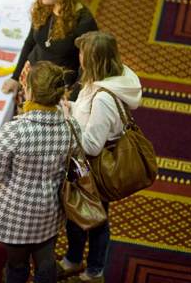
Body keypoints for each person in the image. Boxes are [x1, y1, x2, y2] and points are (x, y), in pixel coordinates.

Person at [0, 61, 82, 283]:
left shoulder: (13, 131)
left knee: (17, 266)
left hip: (12, 215)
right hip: (50, 211)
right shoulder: (72, 126)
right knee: (46, 263)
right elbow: (76, 165)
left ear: (29, 92)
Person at [59, 31, 142, 282]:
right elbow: (87, 117)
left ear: (93, 58)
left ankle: (94, 272)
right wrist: (71, 108)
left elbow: (92, 146)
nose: (79, 56)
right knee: (77, 214)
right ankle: (73, 259)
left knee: (95, 219)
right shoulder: (98, 79)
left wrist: (66, 120)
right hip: (83, 165)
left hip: (92, 167)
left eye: (82, 52)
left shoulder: (104, 96)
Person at [2, 0, 98, 113]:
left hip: (58, 88)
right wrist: (15, 77)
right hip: (33, 75)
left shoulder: (84, 23)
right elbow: (30, 42)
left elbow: (86, 69)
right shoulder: (44, 6)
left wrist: (72, 102)